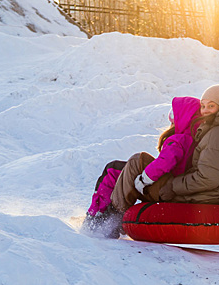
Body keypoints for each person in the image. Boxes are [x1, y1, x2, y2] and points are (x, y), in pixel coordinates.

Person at [82, 96, 201, 237]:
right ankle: (99, 214)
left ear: (184, 115)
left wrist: (144, 178)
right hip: (170, 184)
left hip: (166, 188)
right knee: (115, 170)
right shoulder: (191, 137)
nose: (171, 120)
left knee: (121, 166)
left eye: (174, 114)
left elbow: (165, 162)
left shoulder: (179, 139)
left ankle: (106, 217)